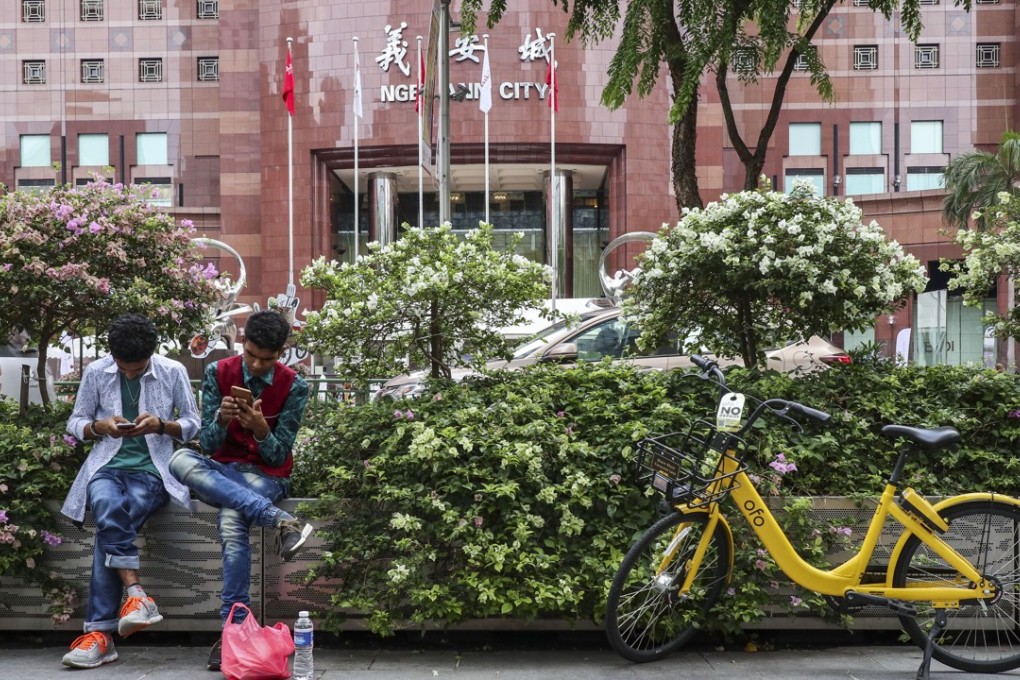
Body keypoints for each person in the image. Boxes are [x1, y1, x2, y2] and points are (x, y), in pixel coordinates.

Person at [168, 310, 312, 671]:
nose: (258, 365)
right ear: (242, 344)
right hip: (224, 469)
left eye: (268, 358)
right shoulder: (219, 373)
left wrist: (262, 430)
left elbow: (280, 454)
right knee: (180, 460)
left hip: (267, 475)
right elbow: (209, 446)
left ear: (281, 352)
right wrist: (221, 418)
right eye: (251, 355)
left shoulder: (296, 385)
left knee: (233, 520)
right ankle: (279, 519)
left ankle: (231, 631)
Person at [60, 314, 201, 669]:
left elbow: (193, 422)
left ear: (151, 356)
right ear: (113, 356)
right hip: (105, 467)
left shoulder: (172, 371)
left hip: (153, 472)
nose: (130, 374)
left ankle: (100, 636)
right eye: (124, 368)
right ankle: (136, 596)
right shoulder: (96, 372)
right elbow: (75, 422)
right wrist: (98, 426)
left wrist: (162, 425)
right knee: (107, 504)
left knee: (109, 527)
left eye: (137, 369)